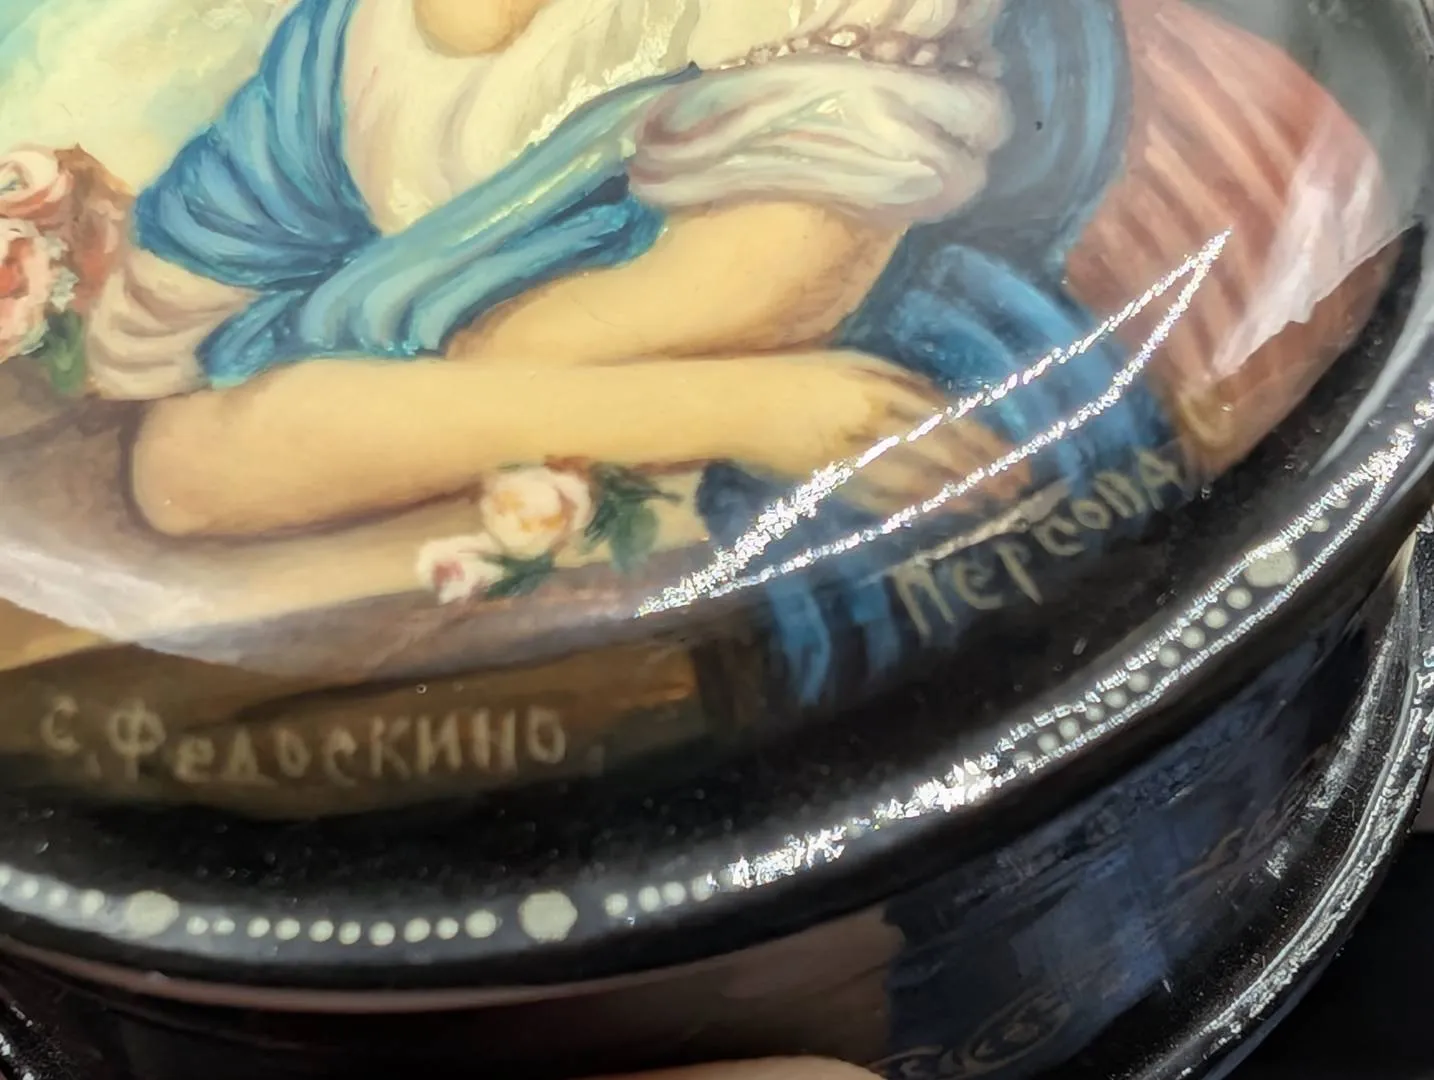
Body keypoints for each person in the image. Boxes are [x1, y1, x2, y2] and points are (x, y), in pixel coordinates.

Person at [81, 0, 1391, 704]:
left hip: (822, 390)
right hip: (635, 398)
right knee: (191, 479)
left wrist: (367, 389)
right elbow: (212, 260)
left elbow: (767, 284)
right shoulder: (341, 35)